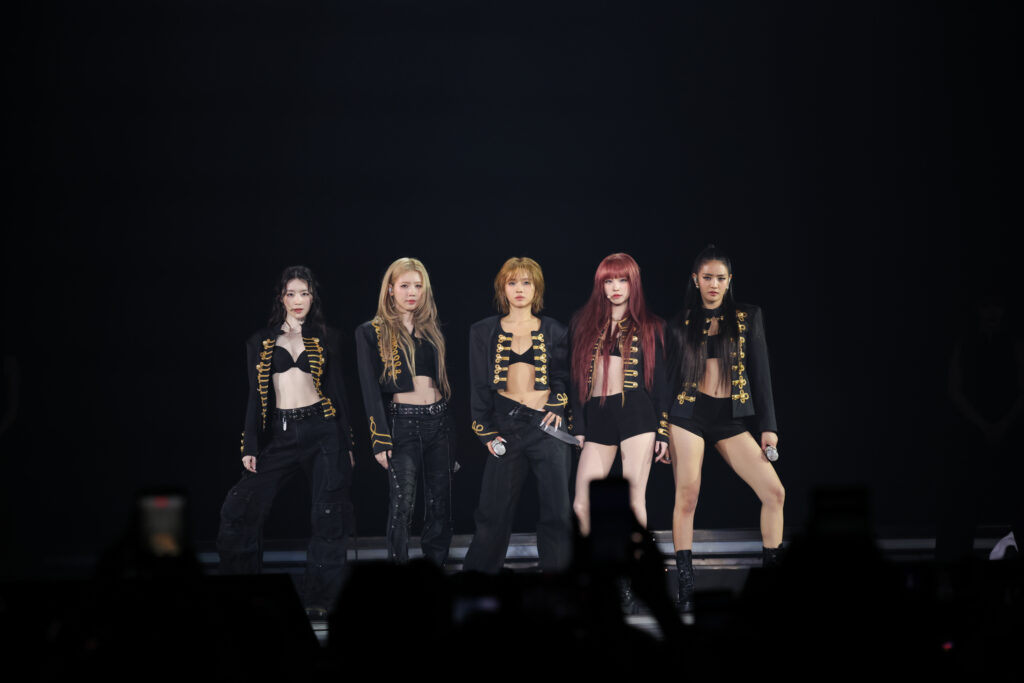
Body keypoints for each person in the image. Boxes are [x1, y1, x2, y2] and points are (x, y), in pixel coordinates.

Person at [217, 266, 354, 619]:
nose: (298, 300)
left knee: (328, 515)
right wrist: (249, 445)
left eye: (304, 293)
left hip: (323, 431)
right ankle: (243, 594)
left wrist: (348, 443)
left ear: (313, 298)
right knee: (239, 506)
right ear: (281, 298)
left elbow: (338, 391)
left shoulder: (328, 337)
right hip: (282, 432)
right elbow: (253, 396)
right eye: (291, 293)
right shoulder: (260, 341)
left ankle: (320, 599)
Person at [666, 245, 784, 615]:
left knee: (774, 493)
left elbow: (761, 374)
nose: (713, 284)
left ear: (729, 280)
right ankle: (686, 586)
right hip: (688, 413)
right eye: (707, 277)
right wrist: (661, 429)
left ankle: (769, 584)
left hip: (730, 417)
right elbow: (667, 379)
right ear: (695, 280)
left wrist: (768, 427)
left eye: (720, 278)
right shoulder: (681, 321)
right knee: (688, 495)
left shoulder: (748, 316)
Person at [463, 257, 574, 573]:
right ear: (502, 288)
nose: (520, 289)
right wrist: (484, 430)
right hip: (506, 426)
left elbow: (563, 376)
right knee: (492, 511)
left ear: (537, 288)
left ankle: (560, 583)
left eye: (526, 282)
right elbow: (478, 384)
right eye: (512, 283)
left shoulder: (555, 330)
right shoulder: (482, 331)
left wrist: (557, 403)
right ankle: (477, 584)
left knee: (558, 512)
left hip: (547, 427)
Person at [355, 257, 453, 566]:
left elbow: (444, 383)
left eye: (418, 286)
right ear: (390, 289)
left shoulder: (431, 329)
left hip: (439, 421)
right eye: (405, 286)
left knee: (441, 504)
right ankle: (399, 574)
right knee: (402, 506)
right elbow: (369, 389)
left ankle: (435, 569)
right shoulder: (371, 331)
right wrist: (379, 439)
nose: (412, 292)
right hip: (403, 424)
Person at [570, 253, 670, 537]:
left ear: (633, 283)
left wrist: (663, 432)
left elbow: (661, 384)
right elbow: (575, 380)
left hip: (636, 414)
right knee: (581, 504)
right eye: (609, 281)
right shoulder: (583, 323)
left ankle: (634, 563)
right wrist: (578, 427)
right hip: (598, 414)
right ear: (600, 285)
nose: (615, 287)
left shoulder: (652, 326)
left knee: (633, 501)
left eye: (622, 280)